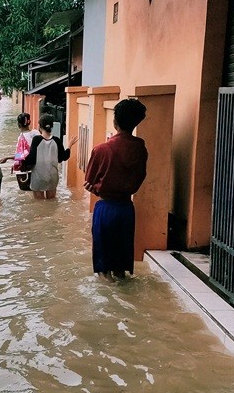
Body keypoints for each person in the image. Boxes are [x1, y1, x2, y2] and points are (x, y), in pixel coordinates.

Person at [84, 98, 149, 279]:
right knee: (120, 267)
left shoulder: (101, 150)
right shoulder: (140, 148)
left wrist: (98, 188)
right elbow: (140, 178)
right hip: (127, 209)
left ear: (115, 122)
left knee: (104, 269)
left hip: (105, 209)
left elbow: (89, 181)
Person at [22, 114, 74, 200]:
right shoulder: (57, 140)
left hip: (39, 177)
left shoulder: (36, 140)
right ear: (52, 126)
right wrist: (69, 145)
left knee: (39, 205)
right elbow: (63, 158)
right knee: (52, 202)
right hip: (52, 177)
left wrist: (20, 161)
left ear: (40, 126)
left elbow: (31, 159)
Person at [1, 113, 37, 190]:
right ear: (29, 122)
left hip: (25, 170)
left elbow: (21, 155)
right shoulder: (36, 133)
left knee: (28, 194)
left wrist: (7, 158)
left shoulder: (21, 138)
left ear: (18, 124)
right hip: (38, 169)